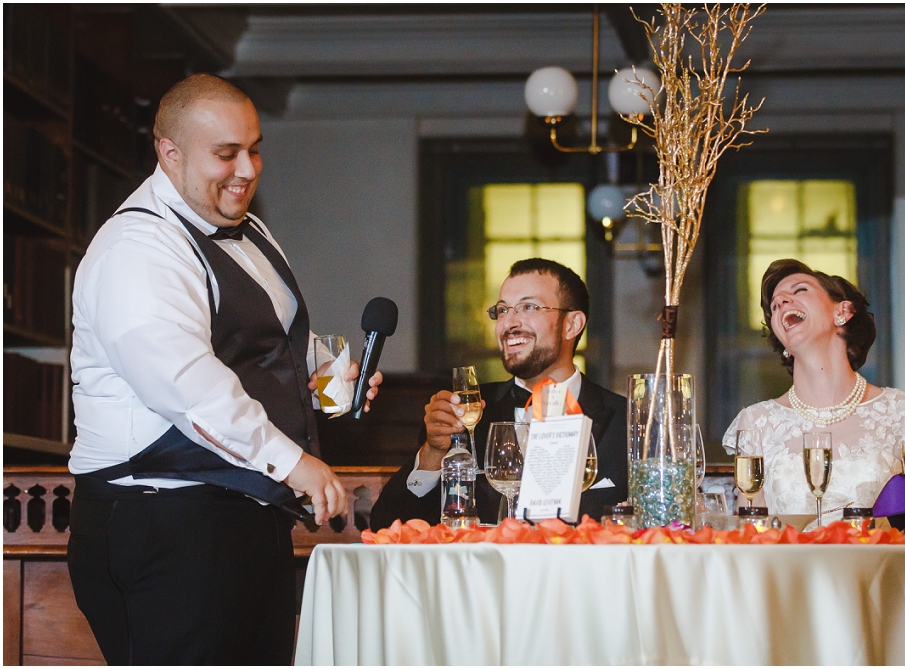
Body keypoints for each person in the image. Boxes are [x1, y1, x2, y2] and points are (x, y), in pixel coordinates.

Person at [66, 74, 382, 665]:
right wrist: (294, 463)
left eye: (254, 148)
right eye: (226, 153)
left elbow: (269, 336)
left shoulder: (252, 232)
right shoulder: (137, 248)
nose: (248, 169)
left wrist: (329, 371)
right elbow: (186, 385)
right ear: (169, 152)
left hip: (242, 517)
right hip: (162, 522)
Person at [370, 258, 627, 530]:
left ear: (572, 325)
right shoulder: (466, 414)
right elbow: (387, 524)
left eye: (528, 307)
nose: (509, 323)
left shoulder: (627, 423)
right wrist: (433, 453)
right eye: (502, 310)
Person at [723, 259, 905, 517]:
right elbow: (751, 535)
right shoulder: (755, 423)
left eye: (799, 290)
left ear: (843, 312)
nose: (781, 302)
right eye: (774, 306)